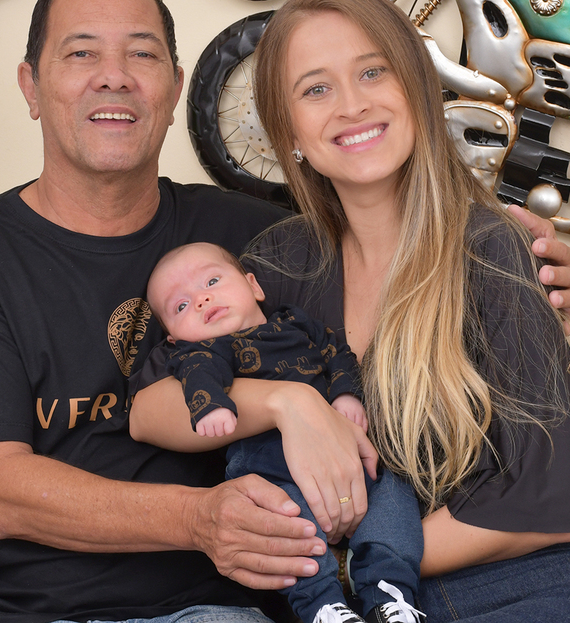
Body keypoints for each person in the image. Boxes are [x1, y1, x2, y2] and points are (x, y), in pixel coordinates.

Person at [0, 0, 570, 623]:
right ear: (30, 86)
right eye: (81, 53)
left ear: (175, 89)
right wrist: (230, 480)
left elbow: (397, 248)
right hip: (21, 604)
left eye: (141, 54)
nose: (113, 76)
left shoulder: (257, 242)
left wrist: (536, 285)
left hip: (219, 604)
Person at [131, 0, 570, 622]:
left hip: (527, 579)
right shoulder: (279, 264)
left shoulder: (493, 245)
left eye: (372, 72)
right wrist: (288, 404)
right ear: (288, 130)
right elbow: (150, 409)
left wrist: (359, 562)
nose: (352, 105)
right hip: (363, 597)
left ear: (415, 87)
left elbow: (555, 505)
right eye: (316, 89)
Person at [145, 242, 424, 623]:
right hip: (272, 473)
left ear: (254, 286)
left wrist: (346, 394)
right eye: (180, 306)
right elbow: (199, 374)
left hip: (349, 459)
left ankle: (390, 595)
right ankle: (323, 607)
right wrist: (209, 405)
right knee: (284, 530)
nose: (201, 299)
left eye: (211, 281)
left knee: (394, 495)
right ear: (175, 339)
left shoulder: (297, 324)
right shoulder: (205, 351)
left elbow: (338, 353)